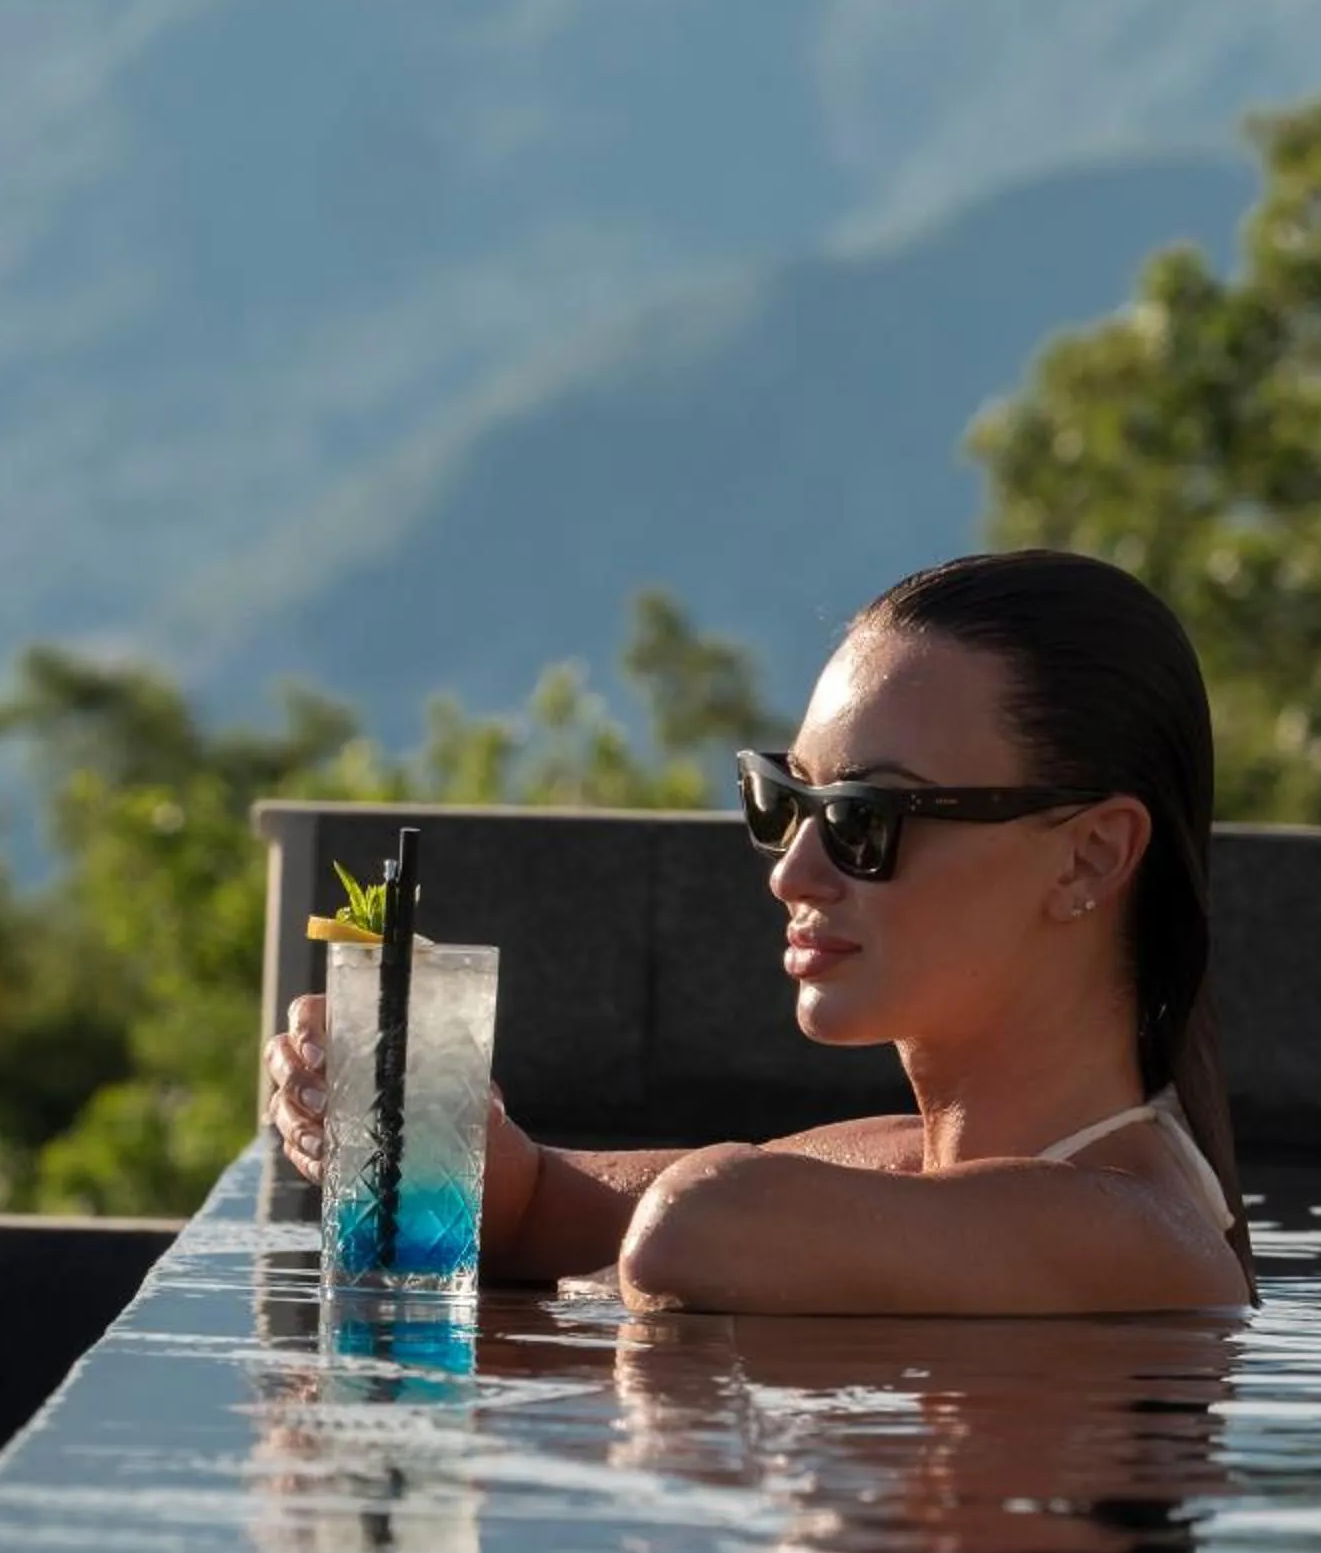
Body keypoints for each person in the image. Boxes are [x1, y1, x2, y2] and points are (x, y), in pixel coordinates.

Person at [263, 550, 1258, 1315]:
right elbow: (528, 1213)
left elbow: (695, 1229)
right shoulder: (904, 1170)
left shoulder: (1133, 1234)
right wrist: (414, 1126)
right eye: (783, 801)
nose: (794, 871)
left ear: (1088, 859)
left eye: (867, 818)